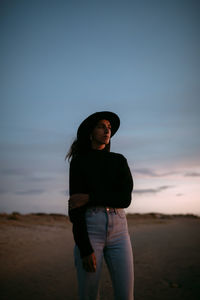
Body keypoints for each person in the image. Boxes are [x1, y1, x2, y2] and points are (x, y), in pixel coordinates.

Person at [66, 111, 134, 300]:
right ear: (91, 131)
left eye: (109, 128)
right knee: (88, 295)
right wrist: (84, 247)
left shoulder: (119, 161)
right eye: (101, 126)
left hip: (120, 230)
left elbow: (124, 199)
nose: (107, 131)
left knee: (126, 295)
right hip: (90, 228)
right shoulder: (79, 161)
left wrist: (89, 198)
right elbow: (75, 206)